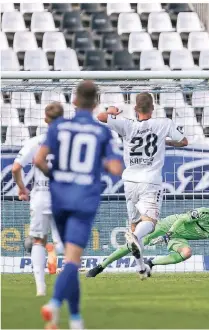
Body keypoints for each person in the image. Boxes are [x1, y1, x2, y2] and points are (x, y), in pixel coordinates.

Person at [34, 81, 123, 329]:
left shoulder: (59, 127)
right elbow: (116, 168)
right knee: (73, 261)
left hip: (59, 198)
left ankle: (75, 319)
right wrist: (98, 164)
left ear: (74, 101)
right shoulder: (101, 132)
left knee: (69, 260)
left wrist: (56, 175)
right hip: (84, 200)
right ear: (96, 104)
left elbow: (38, 159)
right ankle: (53, 304)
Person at [95, 92, 188, 279]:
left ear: (136, 109)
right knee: (149, 225)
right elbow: (184, 141)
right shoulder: (164, 123)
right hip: (150, 181)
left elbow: (100, 117)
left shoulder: (126, 124)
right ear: (153, 108)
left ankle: (140, 269)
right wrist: (164, 142)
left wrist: (112, 111)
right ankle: (135, 238)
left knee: (134, 226)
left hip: (129, 180)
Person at [87, 202, 209, 276]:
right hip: (167, 226)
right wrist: (168, 233)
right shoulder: (205, 213)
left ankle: (151, 263)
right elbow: (181, 219)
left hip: (176, 236)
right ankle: (101, 266)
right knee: (134, 244)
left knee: (187, 253)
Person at [11, 102, 65, 296]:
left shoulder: (36, 142)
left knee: (37, 241)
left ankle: (40, 289)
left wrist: (22, 189)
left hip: (40, 196)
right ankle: (55, 252)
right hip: (63, 197)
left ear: (45, 119)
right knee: (64, 243)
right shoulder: (70, 142)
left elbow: (16, 168)